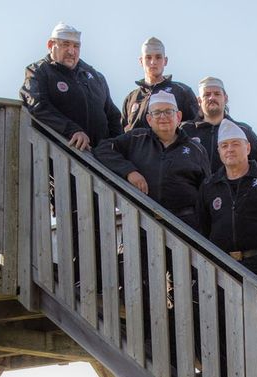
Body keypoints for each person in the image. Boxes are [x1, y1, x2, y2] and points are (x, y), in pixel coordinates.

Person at [196, 119, 257, 290]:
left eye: (235, 144)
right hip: (221, 269)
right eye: (224, 145)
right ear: (219, 151)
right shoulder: (209, 186)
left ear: (248, 148)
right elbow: (203, 230)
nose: (230, 149)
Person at [94, 91, 210, 229]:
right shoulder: (136, 139)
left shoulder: (196, 149)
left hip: (185, 228)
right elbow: (103, 149)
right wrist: (129, 171)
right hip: (141, 226)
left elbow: (206, 192)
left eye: (168, 112)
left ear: (178, 117)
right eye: (157, 113)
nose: (163, 117)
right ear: (149, 119)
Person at [20, 21, 122, 150]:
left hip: (100, 156)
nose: (71, 51)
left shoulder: (95, 76)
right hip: (60, 154)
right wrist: (72, 130)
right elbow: (38, 106)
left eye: (76, 46)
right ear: (50, 45)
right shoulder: (38, 71)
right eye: (65, 44)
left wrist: (117, 147)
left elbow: (113, 116)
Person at [180, 76, 257, 172]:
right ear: (199, 101)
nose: (212, 98)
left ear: (225, 98)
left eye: (217, 94)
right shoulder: (185, 130)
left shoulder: (242, 130)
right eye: (207, 95)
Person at [119, 37, 200, 132]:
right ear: (141, 61)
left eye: (158, 57)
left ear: (165, 61)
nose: (153, 62)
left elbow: (197, 128)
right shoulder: (131, 98)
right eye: (148, 57)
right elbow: (121, 133)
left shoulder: (182, 92)